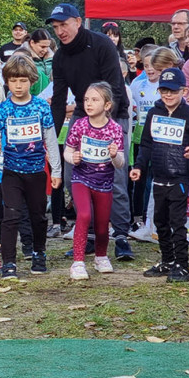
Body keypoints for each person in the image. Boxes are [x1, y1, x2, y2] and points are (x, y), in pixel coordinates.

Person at [48, 2, 135, 261]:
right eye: (55, 27)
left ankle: (120, 236)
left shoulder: (102, 45)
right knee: (74, 171)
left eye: (64, 25)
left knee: (113, 174)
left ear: (78, 21)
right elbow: (59, 98)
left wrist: (103, 124)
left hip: (113, 110)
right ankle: (87, 235)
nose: (60, 31)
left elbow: (116, 89)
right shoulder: (60, 57)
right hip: (82, 111)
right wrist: (51, 138)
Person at [130, 68, 189, 283]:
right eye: (164, 91)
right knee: (159, 220)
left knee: (177, 221)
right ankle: (167, 260)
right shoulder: (154, 113)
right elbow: (146, 144)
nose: (168, 96)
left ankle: (182, 265)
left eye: (173, 91)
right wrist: (139, 167)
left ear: (183, 90)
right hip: (159, 175)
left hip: (181, 177)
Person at [0, 55, 63, 279]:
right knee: (10, 215)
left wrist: (56, 171)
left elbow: (50, 139)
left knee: (38, 216)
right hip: (11, 172)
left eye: (22, 81)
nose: (18, 86)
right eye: (13, 81)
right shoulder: (3, 109)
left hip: (37, 172)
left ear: (31, 80)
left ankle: (39, 252)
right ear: (7, 82)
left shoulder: (41, 106)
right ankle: (9, 263)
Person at [64, 82, 125, 280]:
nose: (89, 104)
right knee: (83, 215)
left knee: (101, 224)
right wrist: (72, 158)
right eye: (86, 100)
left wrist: (115, 155)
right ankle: (78, 262)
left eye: (95, 100)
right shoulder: (80, 125)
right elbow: (68, 150)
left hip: (104, 183)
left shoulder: (115, 129)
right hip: (81, 178)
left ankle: (100, 256)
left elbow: (121, 163)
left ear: (107, 105)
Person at [128, 47, 179, 241]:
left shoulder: (181, 90)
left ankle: (167, 227)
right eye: (150, 67)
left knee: (173, 189)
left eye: (158, 68)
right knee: (154, 185)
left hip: (176, 152)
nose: (153, 72)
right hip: (155, 144)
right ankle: (151, 225)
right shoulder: (143, 88)